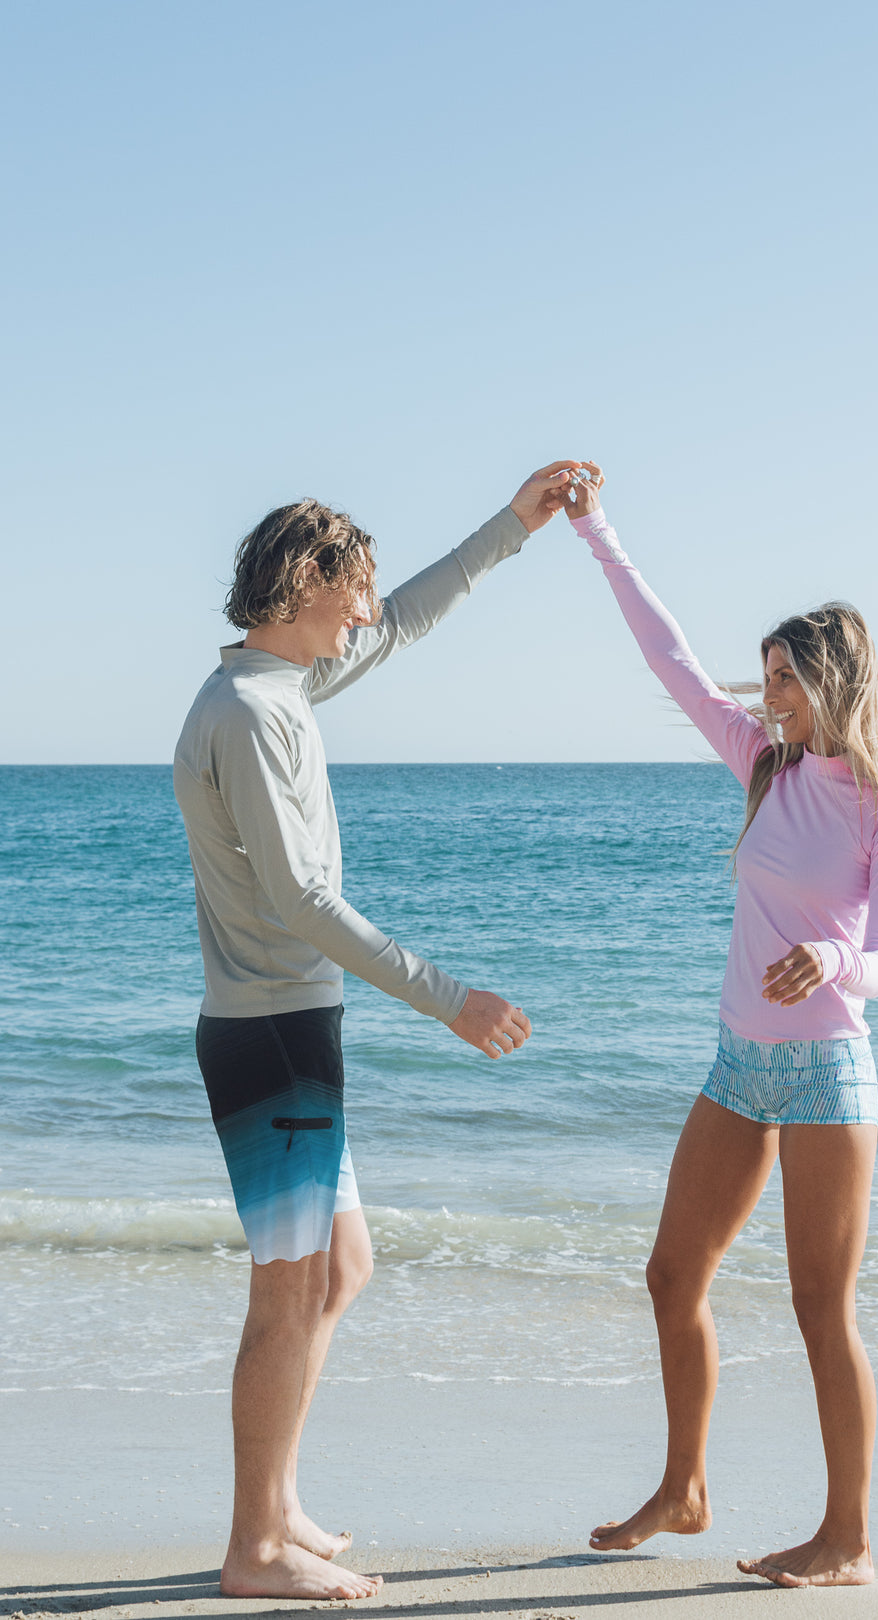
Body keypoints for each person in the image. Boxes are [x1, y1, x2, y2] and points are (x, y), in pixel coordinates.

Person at [173, 463, 574, 1602]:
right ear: (304, 586)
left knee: (342, 1271)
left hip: (296, 1025)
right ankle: (253, 1546)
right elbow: (301, 899)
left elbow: (402, 626)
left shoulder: (273, 690)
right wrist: (456, 1000)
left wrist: (514, 526)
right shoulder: (252, 717)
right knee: (287, 1289)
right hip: (274, 1034)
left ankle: (279, 1501)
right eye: (351, 589)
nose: (365, 609)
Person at [563, 464, 878, 1589]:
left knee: (823, 1308)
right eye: (766, 677)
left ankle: (851, 1539)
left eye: (786, 677)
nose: (768, 694)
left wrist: (829, 957)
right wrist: (598, 533)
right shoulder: (763, 766)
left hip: (829, 1069)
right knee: (672, 1275)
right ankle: (683, 1487)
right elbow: (670, 661)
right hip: (738, 1066)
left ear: (835, 679)